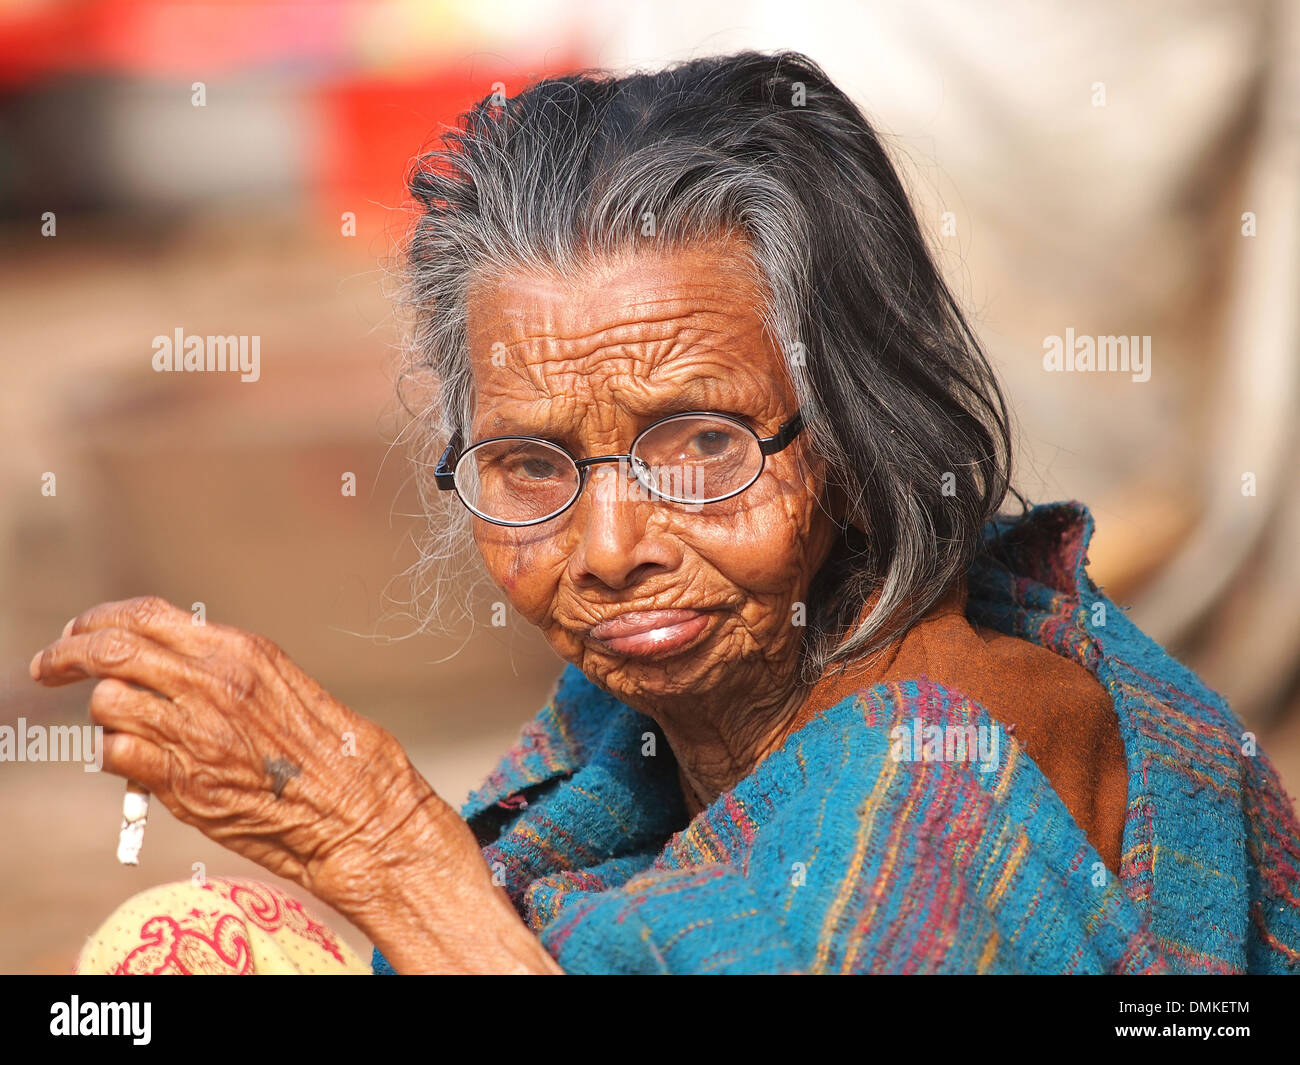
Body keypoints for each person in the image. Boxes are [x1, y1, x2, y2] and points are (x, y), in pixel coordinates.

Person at [36, 50, 1300, 974]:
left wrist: (381, 844)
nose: (608, 551)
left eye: (702, 448)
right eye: (531, 466)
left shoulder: (943, 777)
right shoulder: (633, 729)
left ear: (860, 431)